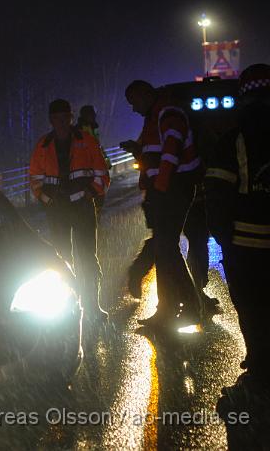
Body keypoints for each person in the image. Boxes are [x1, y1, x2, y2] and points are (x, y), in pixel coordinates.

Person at [207, 65, 270, 429]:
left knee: (254, 309)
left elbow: (217, 193)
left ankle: (260, 376)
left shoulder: (233, 140)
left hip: (246, 246)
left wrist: (222, 235)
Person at [125, 80, 202, 329]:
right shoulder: (155, 115)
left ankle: (178, 308)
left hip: (173, 188)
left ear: (146, 94)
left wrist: (159, 187)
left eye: (134, 102)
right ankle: (181, 307)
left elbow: (171, 150)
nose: (134, 109)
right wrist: (138, 151)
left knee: (164, 247)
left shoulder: (167, 111)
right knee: (166, 249)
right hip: (167, 189)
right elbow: (156, 154)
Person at [29, 99, 111, 323]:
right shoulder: (43, 146)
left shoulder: (87, 141)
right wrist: (47, 200)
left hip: (82, 208)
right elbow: (35, 179)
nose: (62, 122)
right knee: (60, 258)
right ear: (51, 120)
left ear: (71, 118)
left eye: (65, 117)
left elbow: (102, 174)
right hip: (57, 211)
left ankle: (93, 307)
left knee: (87, 257)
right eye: (57, 118)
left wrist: (89, 194)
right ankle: (67, 307)